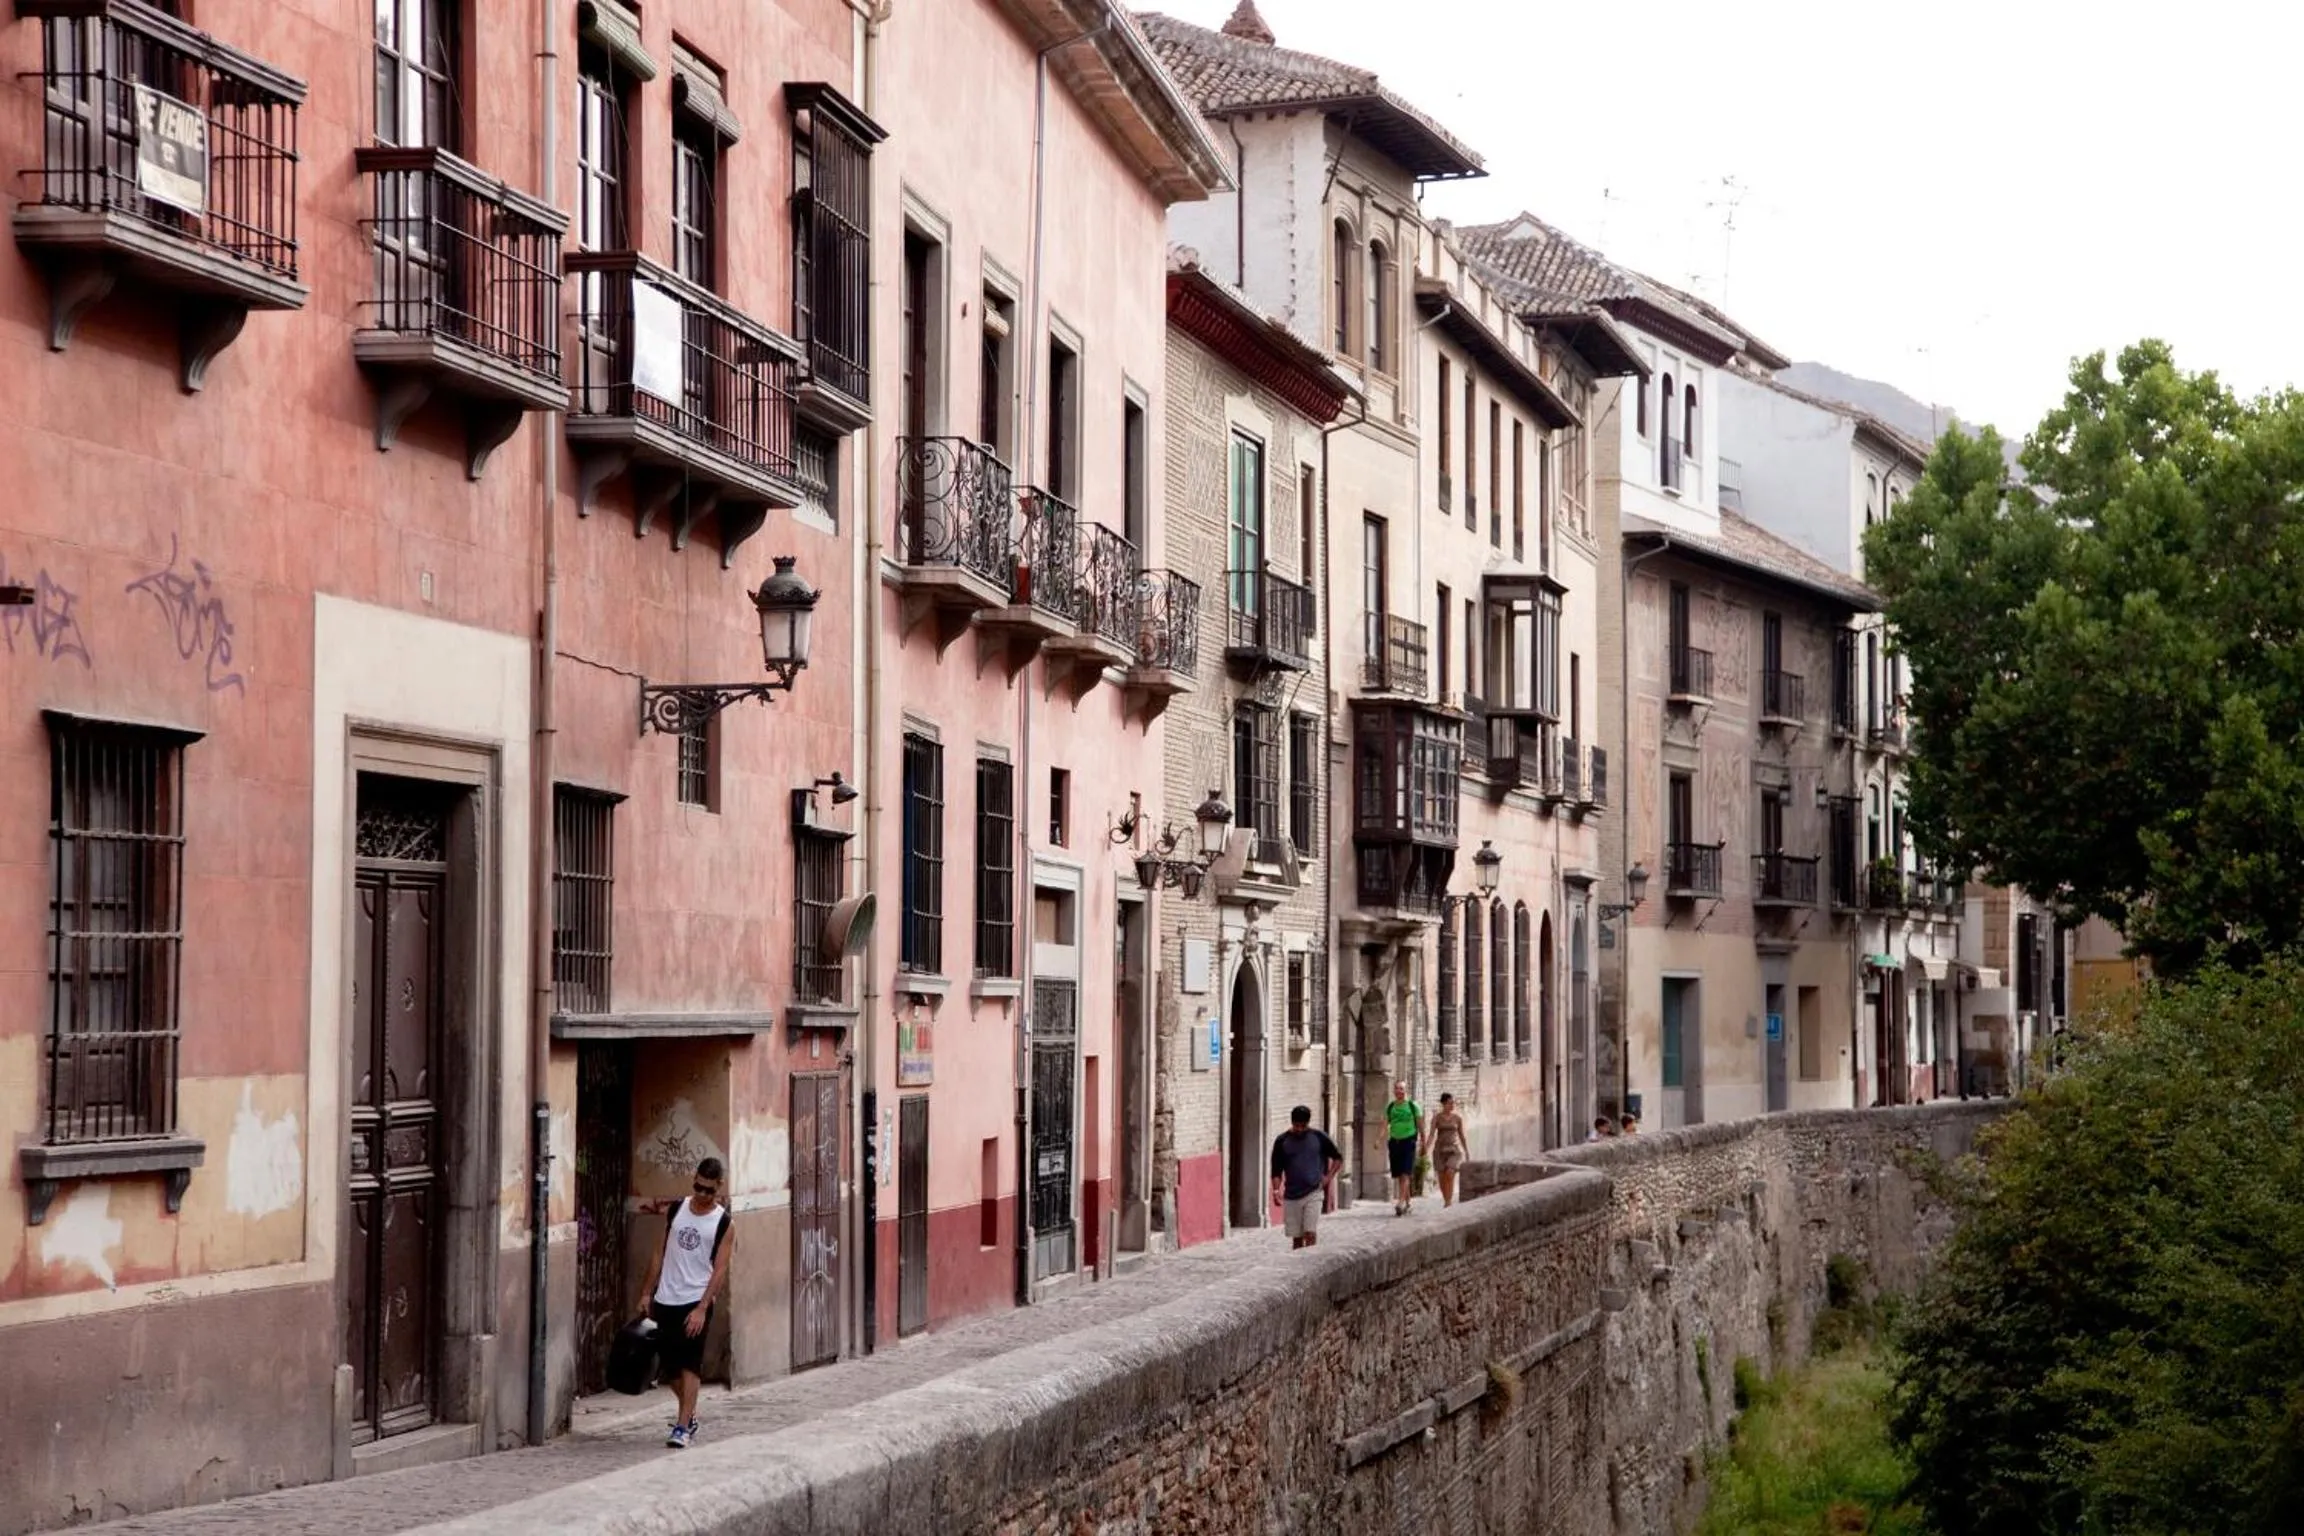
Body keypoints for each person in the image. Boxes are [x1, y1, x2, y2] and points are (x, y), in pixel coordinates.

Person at [638, 1156, 733, 1448]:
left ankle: (681, 1427)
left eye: (709, 1191)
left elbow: (719, 1269)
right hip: (666, 1296)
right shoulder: (677, 1209)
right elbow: (659, 1252)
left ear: (719, 1187)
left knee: (690, 1364)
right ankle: (689, 1414)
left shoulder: (723, 1222)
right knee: (669, 1369)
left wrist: (702, 1308)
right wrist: (646, 1291)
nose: (703, 1195)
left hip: (695, 1299)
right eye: (698, 1187)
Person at [1269, 1105, 1343, 1250]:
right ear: (1292, 1122)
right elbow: (1276, 1170)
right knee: (1297, 1237)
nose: (1300, 1129)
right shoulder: (1282, 1141)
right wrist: (1276, 1191)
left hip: (1313, 1191)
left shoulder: (1319, 1137)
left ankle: (1311, 1260)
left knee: (1310, 1232)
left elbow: (1337, 1158)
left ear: (1308, 1123)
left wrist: (1328, 1178)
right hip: (1291, 1195)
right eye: (1297, 1125)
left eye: (1303, 1126)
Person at [1422, 1091, 1469, 1207]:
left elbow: (1462, 1136)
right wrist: (1426, 1148)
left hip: (1454, 1150)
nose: (1452, 1105)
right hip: (1440, 1151)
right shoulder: (1436, 1118)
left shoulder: (1457, 1118)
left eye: (1453, 1103)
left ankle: (1448, 1202)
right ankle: (1446, 1199)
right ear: (1443, 1104)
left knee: (1450, 1173)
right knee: (1442, 1178)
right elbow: (1432, 1135)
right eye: (1450, 1103)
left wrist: (1467, 1151)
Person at [1384, 1081, 1422, 1215]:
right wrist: (1378, 1139)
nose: (1399, 1091)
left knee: (1405, 1172)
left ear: (1406, 1090)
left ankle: (1400, 1203)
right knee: (1400, 1175)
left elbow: (1420, 1125)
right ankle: (1408, 1203)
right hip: (1395, 1142)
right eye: (1396, 1088)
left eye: (1401, 1088)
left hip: (1409, 1141)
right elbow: (1384, 1124)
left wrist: (1423, 1142)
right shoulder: (1390, 1107)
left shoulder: (1413, 1106)